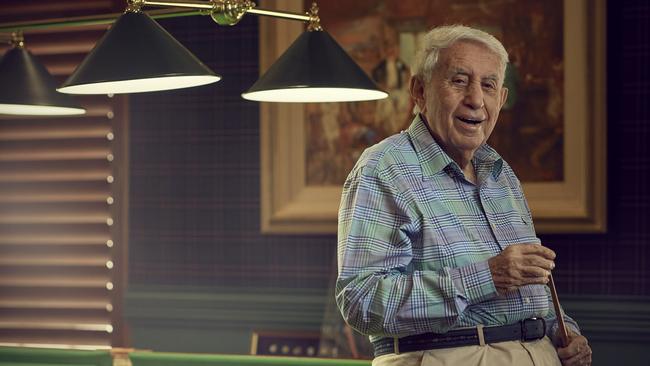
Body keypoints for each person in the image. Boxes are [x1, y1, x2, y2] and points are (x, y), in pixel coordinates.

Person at [336, 25, 592, 366]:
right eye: (459, 80)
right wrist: (488, 277)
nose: (475, 99)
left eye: (488, 85)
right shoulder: (385, 168)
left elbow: (532, 293)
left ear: (500, 100)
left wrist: (565, 332)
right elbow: (361, 300)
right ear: (419, 90)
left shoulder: (502, 174)